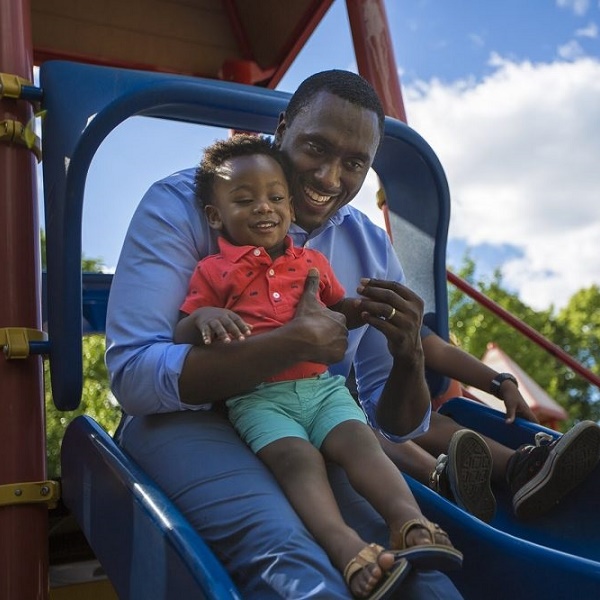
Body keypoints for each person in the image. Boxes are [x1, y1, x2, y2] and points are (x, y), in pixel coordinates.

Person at [106, 70, 465, 599]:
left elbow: (396, 426)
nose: (327, 176)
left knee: (421, 577)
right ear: (282, 128)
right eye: (315, 146)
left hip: (306, 413)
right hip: (187, 418)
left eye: (354, 163)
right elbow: (134, 376)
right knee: (286, 548)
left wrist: (410, 353)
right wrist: (285, 345)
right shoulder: (183, 204)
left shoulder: (364, 245)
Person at [385, 331, 600, 522]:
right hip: (365, 425)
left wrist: (502, 383)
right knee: (370, 426)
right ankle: (443, 480)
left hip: (399, 408)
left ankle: (521, 469)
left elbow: (436, 348)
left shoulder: (380, 302)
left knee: (426, 419)